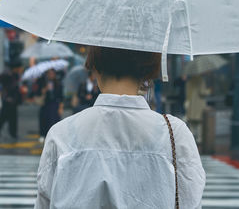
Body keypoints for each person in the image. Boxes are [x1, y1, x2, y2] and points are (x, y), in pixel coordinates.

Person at [35, 47, 205, 208]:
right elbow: (190, 201)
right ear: (147, 70)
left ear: (94, 67)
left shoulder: (61, 134)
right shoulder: (175, 134)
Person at [37, 69, 64, 143]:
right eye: (49, 74)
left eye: (52, 74)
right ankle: (43, 135)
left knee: (53, 120)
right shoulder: (43, 82)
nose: (51, 75)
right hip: (45, 103)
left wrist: (61, 107)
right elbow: (38, 93)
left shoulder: (58, 83)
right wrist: (45, 90)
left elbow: (61, 96)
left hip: (54, 104)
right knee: (44, 119)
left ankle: (53, 136)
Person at [0, 61, 23, 140]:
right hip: (8, 100)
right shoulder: (8, 74)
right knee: (3, 117)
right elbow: (0, 80)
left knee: (13, 118)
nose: (20, 69)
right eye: (19, 68)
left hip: (14, 100)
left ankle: (13, 133)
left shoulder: (16, 75)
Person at [185, 75, 211, 144]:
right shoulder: (201, 80)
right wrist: (209, 91)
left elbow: (187, 93)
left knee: (192, 122)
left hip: (191, 104)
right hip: (199, 104)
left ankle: (191, 138)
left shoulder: (189, 81)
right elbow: (202, 92)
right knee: (199, 122)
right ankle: (199, 138)